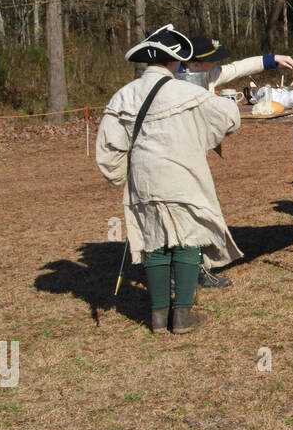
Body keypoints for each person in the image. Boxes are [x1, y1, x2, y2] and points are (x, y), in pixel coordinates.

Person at [96, 25, 241, 334]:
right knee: (187, 241)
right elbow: (229, 118)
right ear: (174, 61)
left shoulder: (123, 95)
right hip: (182, 175)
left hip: (143, 179)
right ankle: (183, 316)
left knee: (154, 242)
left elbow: (109, 146)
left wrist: (120, 176)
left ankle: (159, 317)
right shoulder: (188, 92)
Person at [180, 36, 293, 288]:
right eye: (211, 61)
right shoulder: (174, 82)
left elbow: (238, 68)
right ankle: (182, 274)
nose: (217, 65)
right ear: (195, 63)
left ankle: (197, 269)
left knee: (199, 212)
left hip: (195, 155)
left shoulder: (207, 75)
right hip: (176, 158)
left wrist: (271, 60)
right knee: (189, 213)